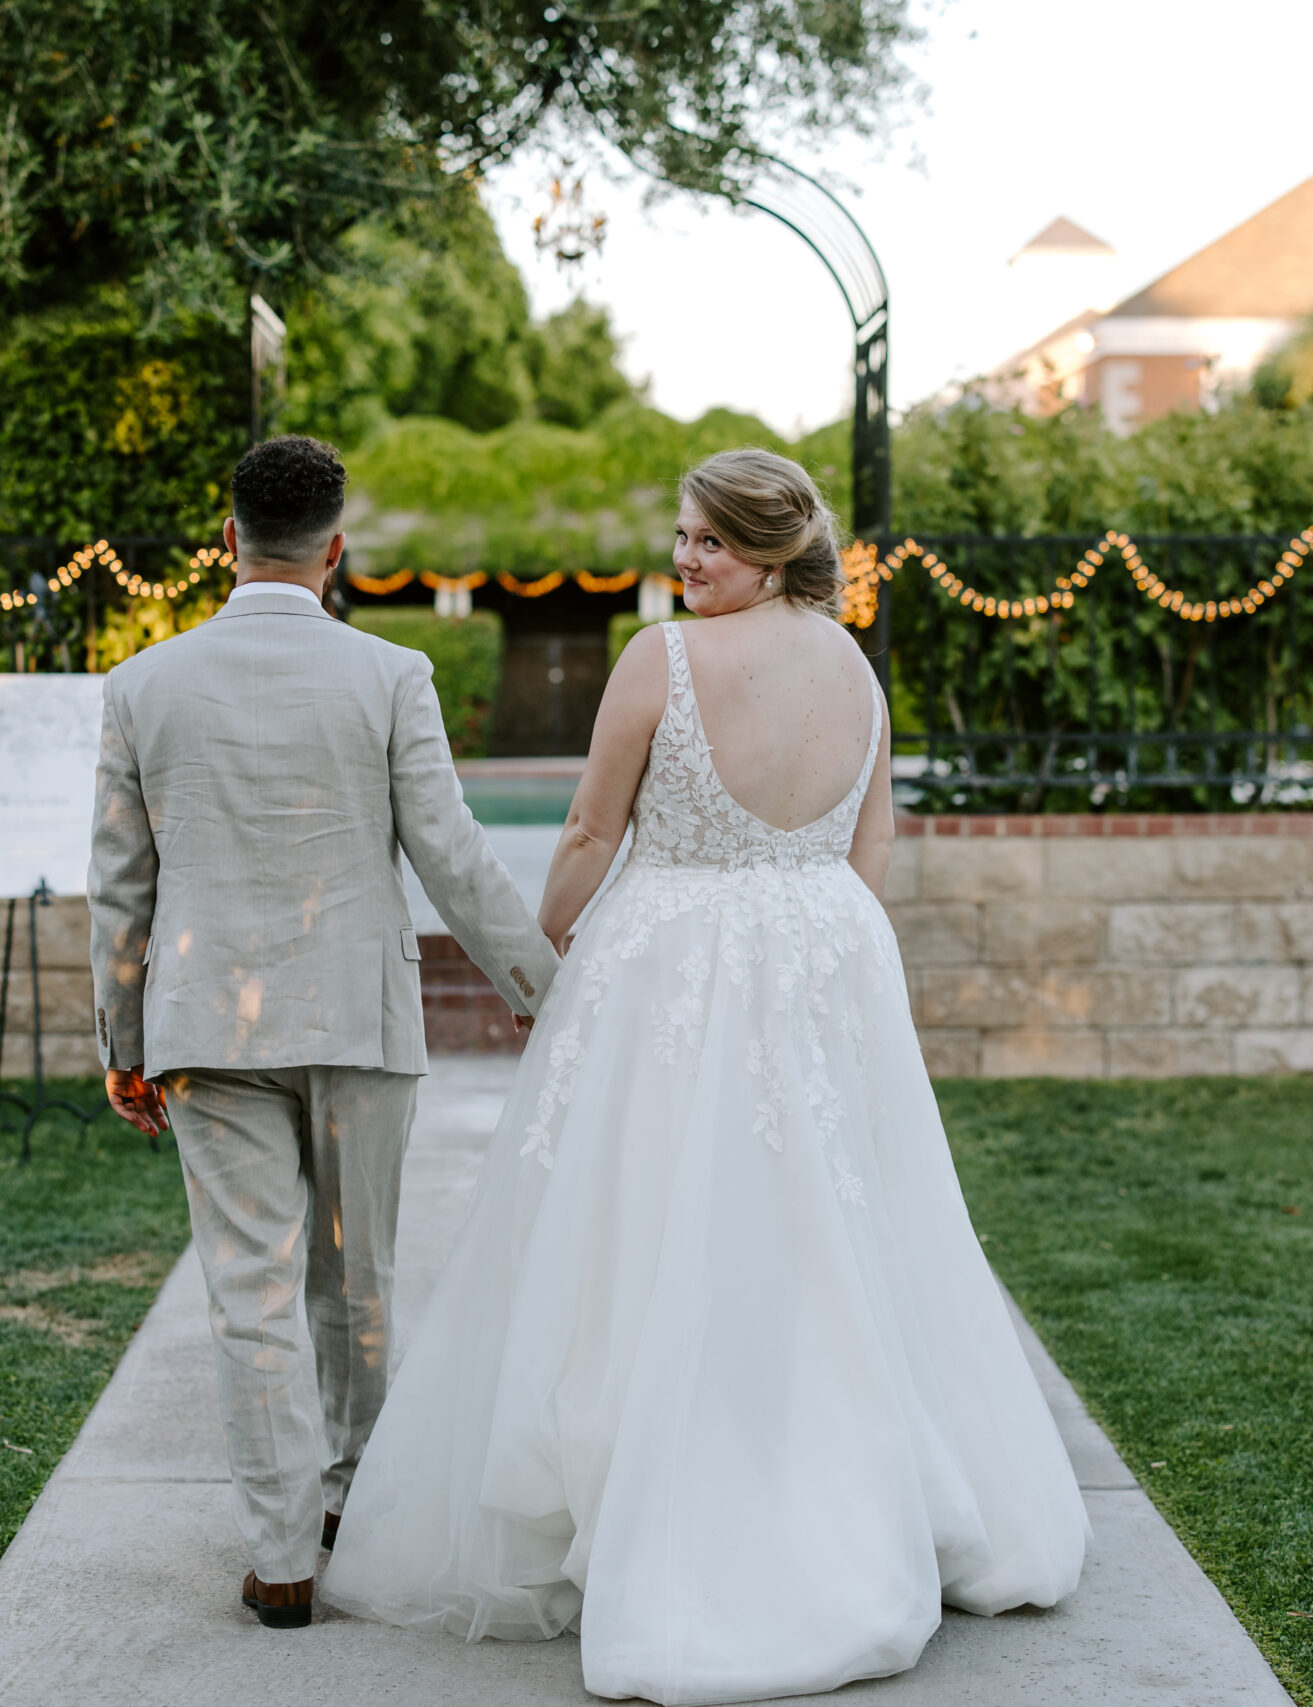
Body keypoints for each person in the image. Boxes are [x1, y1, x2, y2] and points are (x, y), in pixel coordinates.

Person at [322, 448, 1089, 1703]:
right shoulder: (852, 666)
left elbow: (587, 830)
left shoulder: (661, 663)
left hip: (669, 955)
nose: (684, 562)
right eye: (680, 537)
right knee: (817, 1221)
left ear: (772, 551)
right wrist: (821, 951)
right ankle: (837, 1477)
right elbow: (870, 839)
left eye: (709, 545)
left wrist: (549, 946)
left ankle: (672, 1507)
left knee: (651, 1216)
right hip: (824, 949)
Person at [87, 434, 559, 1631]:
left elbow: (119, 887)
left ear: (225, 539)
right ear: (336, 549)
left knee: (247, 1293)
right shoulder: (391, 672)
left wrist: (122, 1038)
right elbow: (450, 851)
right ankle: (353, 1502)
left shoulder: (141, 682)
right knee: (359, 1283)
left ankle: (281, 1555)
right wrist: (541, 983)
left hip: (204, 1026)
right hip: (358, 1015)